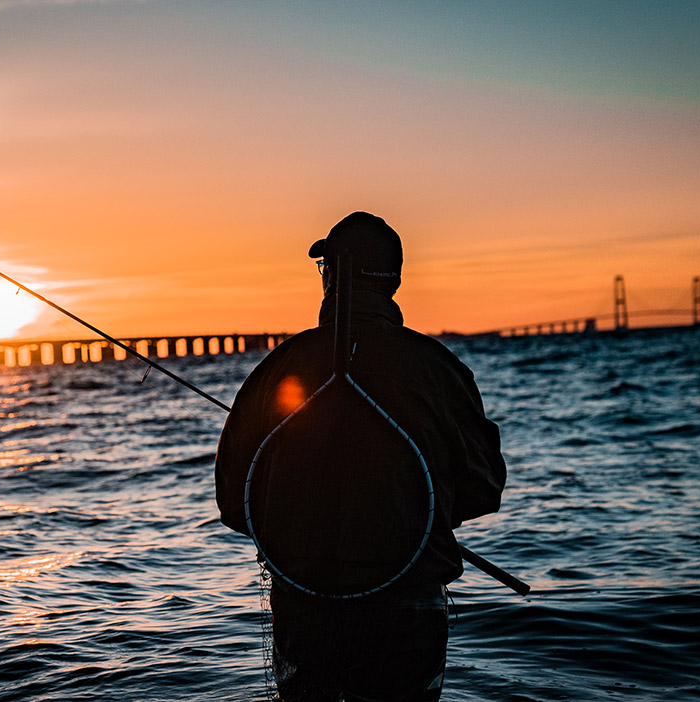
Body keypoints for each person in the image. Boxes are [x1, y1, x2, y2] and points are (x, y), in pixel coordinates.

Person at [215, 212, 507, 701]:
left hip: (304, 609)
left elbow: (233, 503)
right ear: (393, 281)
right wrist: (409, 518)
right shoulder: (438, 369)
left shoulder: (275, 370)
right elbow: (483, 489)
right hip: (408, 607)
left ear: (330, 275)